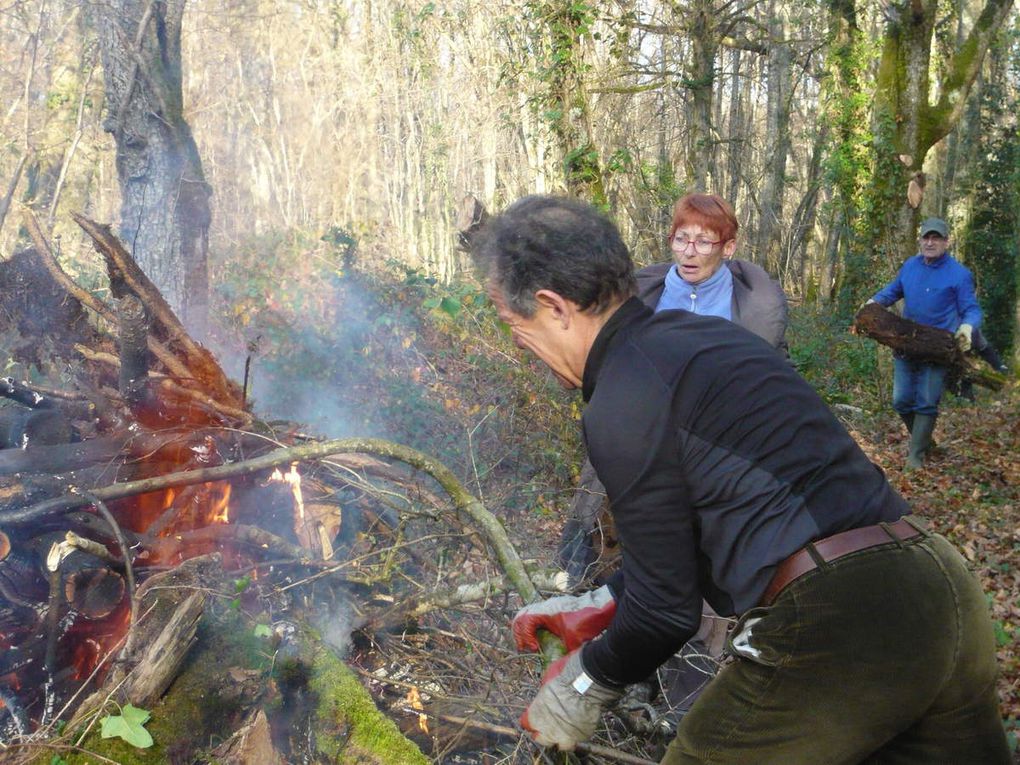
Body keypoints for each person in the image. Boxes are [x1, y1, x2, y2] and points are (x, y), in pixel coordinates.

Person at [475, 195, 1009, 764]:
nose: (518, 343)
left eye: (515, 324)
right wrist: (604, 600)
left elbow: (666, 613)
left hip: (843, 618)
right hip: (940, 582)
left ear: (554, 307)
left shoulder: (620, 400)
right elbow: (730, 514)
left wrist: (583, 684)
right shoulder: (714, 342)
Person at [557, 193, 790, 719]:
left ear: (728, 247)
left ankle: (683, 701)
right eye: (681, 238)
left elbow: (763, 388)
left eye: (704, 241)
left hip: (709, 457)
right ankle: (599, 668)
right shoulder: (642, 292)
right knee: (610, 547)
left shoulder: (753, 310)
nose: (690, 251)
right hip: (637, 441)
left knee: (695, 567)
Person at [868, 217, 982, 470]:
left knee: (927, 401)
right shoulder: (910, 265)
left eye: (936, 238)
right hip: (907, 343)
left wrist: (966, 327)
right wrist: (873, 303)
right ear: (920, 240)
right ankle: (926, 442)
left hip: (938, 348)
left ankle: (915, 457)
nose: (930, 243)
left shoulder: (959, 274)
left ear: (946, 242)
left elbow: (972, 310)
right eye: (926, 238)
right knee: (901, 401)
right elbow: (893, 290)